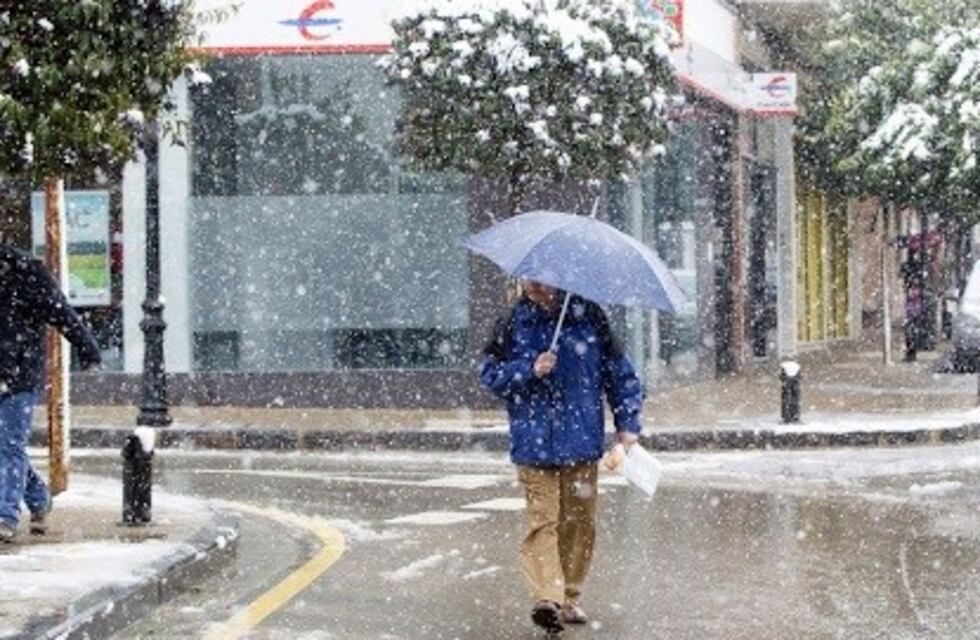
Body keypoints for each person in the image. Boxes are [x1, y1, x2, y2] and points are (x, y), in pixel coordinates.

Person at [479, 280, 643, 633]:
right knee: (543, 521)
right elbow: (490, 375)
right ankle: (547, 599)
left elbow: (620, 374)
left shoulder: (591, 319)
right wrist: (528, 370)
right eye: (528, 276)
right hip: (532, 443)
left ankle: (569, 597)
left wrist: (627, 423)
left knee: (579, 523)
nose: (533, 284)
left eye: (541, 277)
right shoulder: (511, 322)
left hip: (581, 441)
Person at [0, 242, 101, 543]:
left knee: (8, 445)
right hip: (12, 369)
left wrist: (89, 351)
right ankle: (39, 497)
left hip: (17, 376)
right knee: (5, 447)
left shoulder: (24, 271)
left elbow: (61, 312)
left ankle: (5, 516)